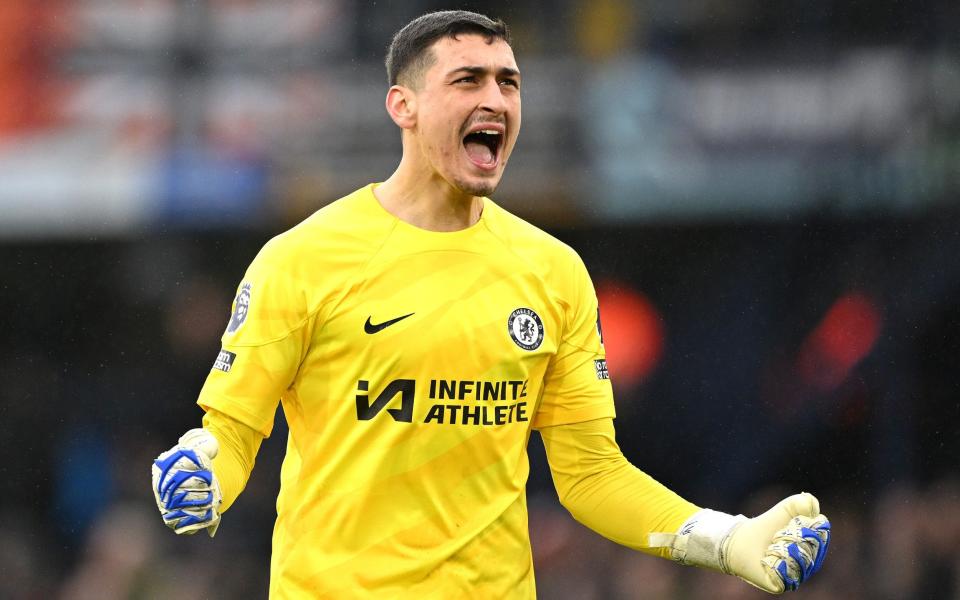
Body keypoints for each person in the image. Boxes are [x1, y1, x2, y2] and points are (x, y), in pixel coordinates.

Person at [151, 10, 830, 598]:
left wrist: (727, 540)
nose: (497, 100)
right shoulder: (302, 259)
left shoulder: (553, 272)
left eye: (509, 82)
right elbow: (233, 432)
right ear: (403, 106)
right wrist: (204, 463)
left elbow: (591, 475)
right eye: (468, 80)